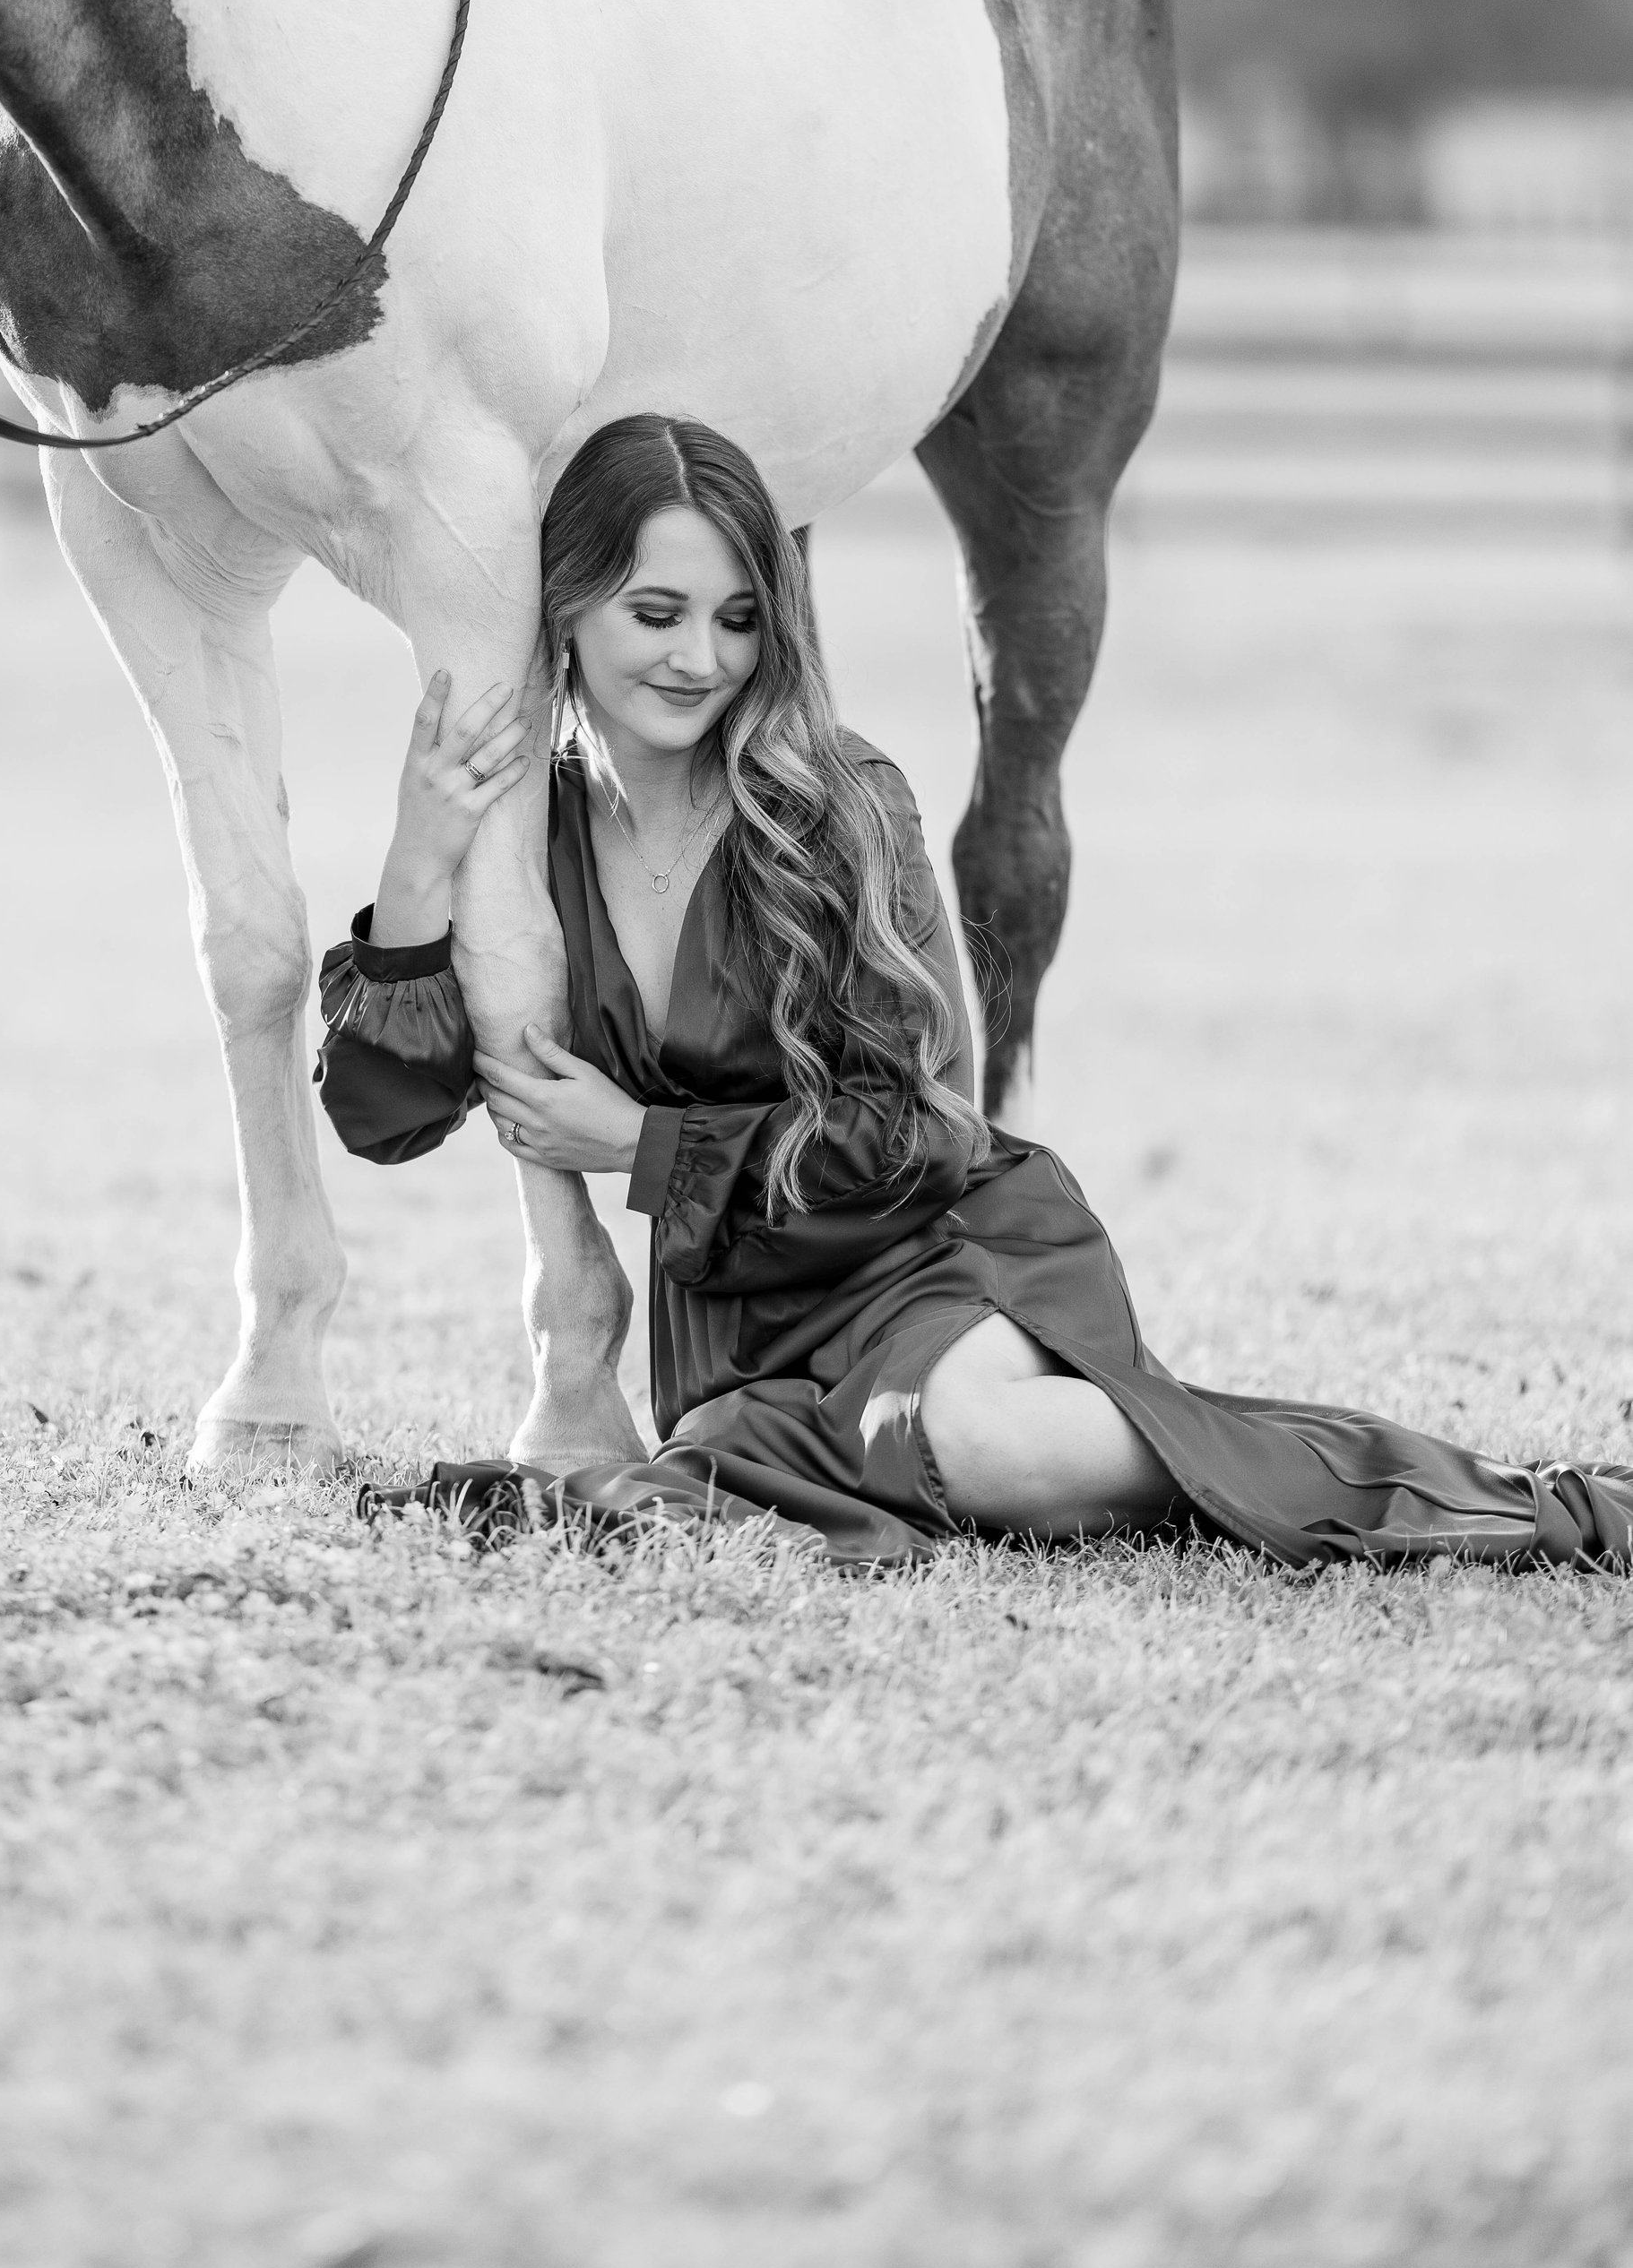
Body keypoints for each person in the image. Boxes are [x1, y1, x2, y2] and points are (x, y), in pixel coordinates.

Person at [314, 414, 1630, 1572]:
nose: (699, 661)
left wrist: (646, 1149)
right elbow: (387, 1120)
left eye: (736, 618)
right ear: (567, 608)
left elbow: (926, 1128)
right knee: (872, 1463)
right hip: (741, 1338)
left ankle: (1537, 1508)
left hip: (942, 1253)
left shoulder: (835, 805)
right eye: (654, 614)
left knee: (986, 1443)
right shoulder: (522, 846)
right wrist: (420, 867)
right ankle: (1131, 1471)